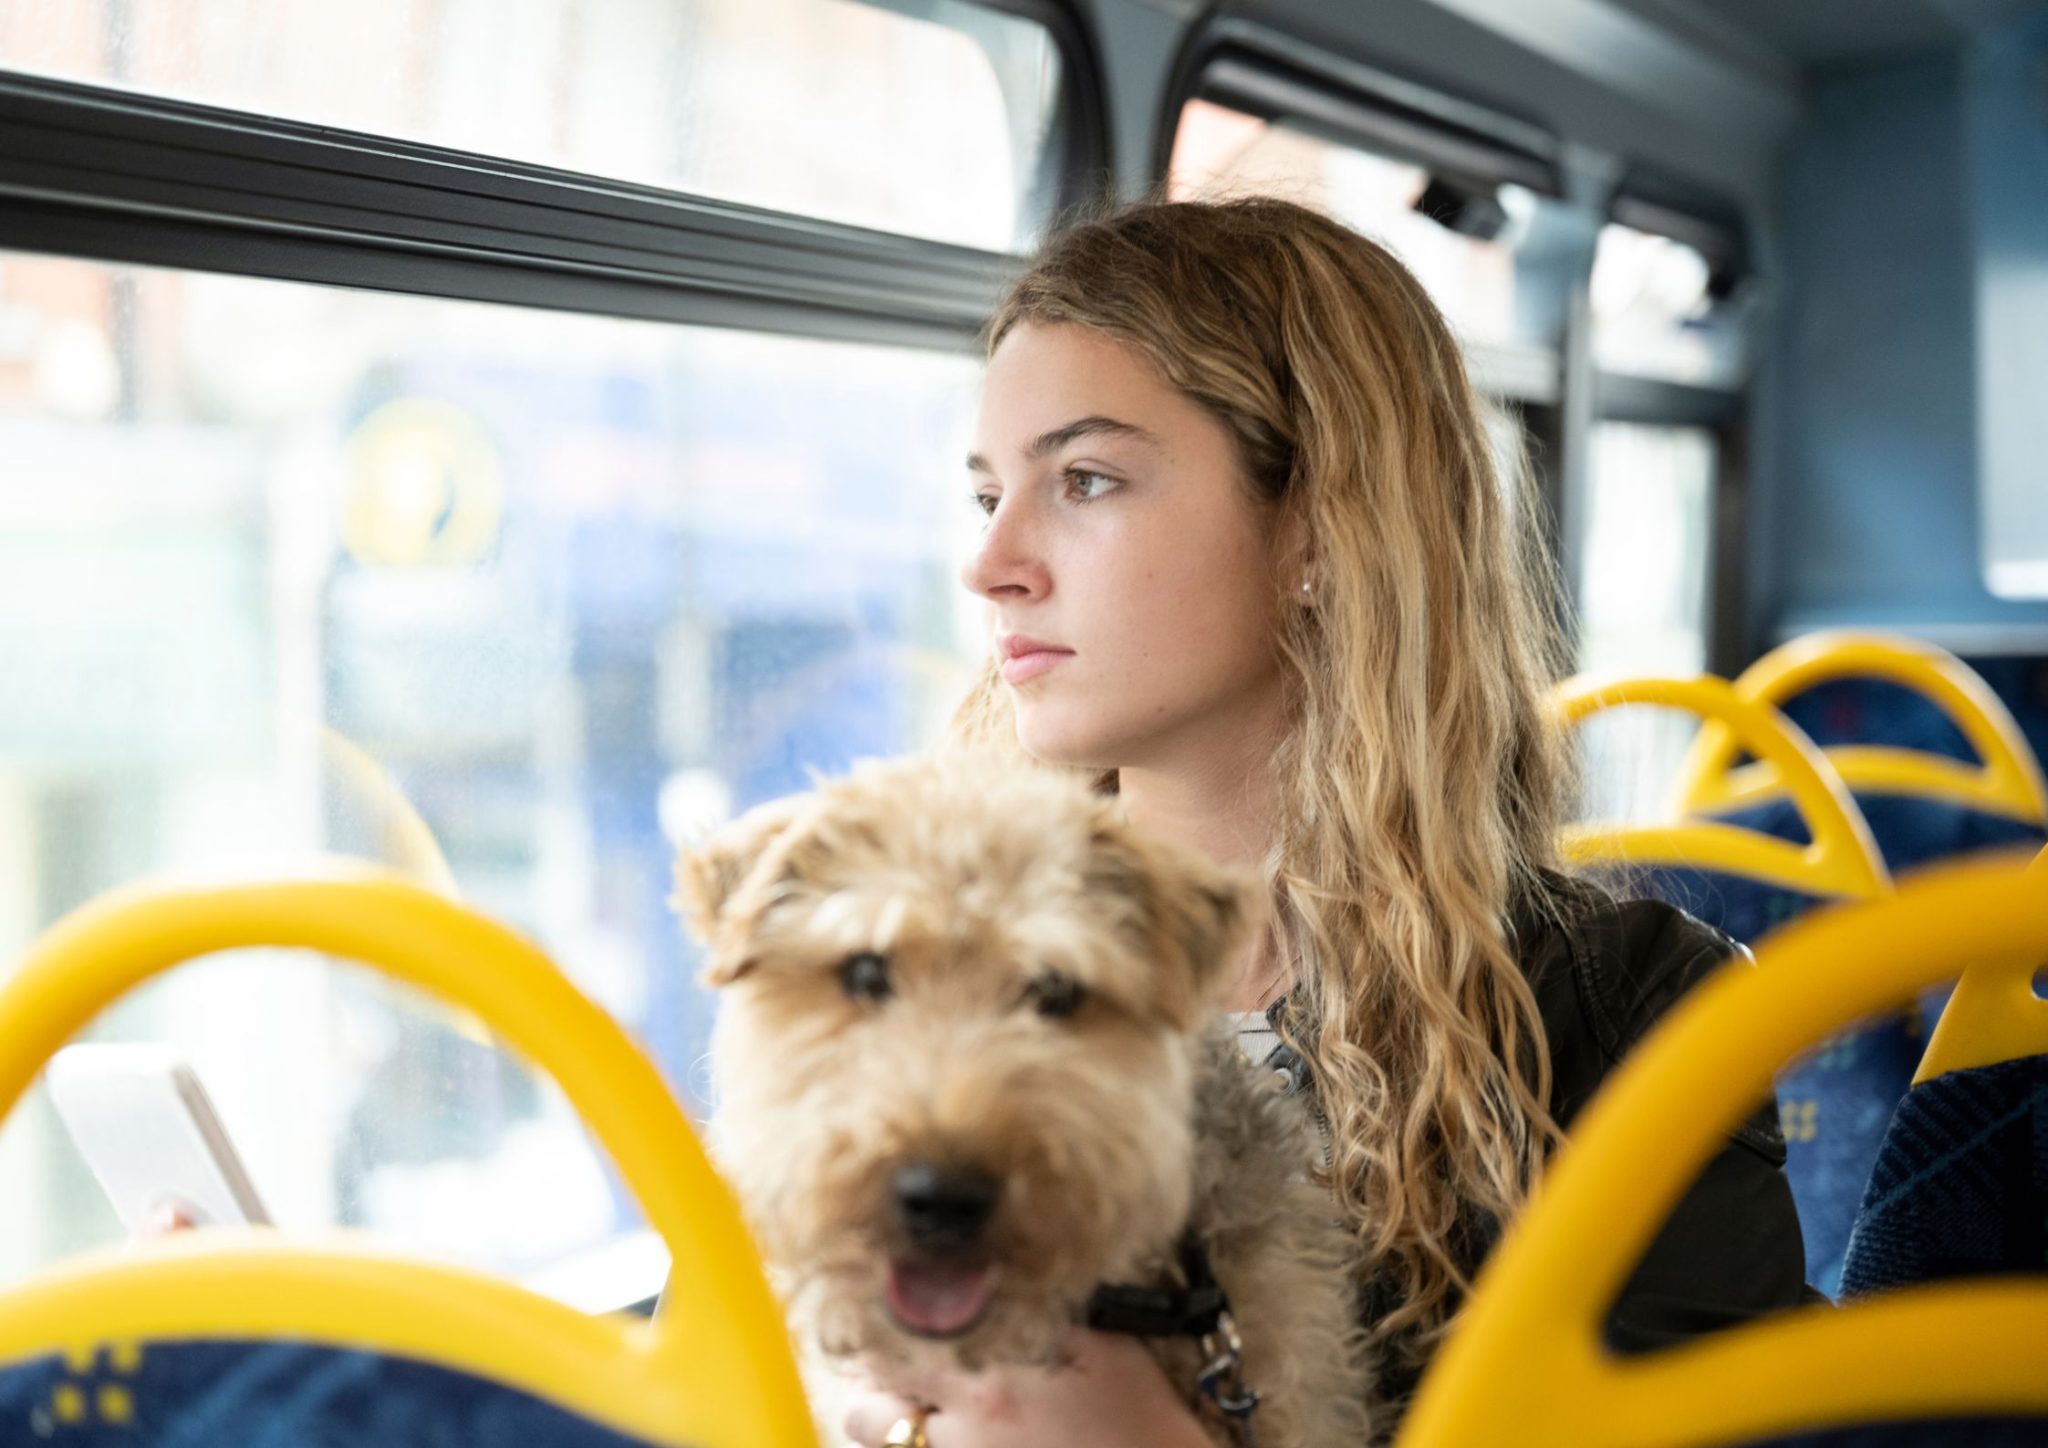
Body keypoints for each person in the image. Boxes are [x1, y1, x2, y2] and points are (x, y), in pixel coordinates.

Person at [843, 196, 1816, 1448]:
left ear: (1314, 528)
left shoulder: (1629, 1022)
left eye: (1082, 479)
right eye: (988, 494)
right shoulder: (912, 965)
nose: (991, 561)